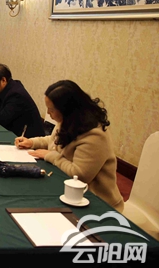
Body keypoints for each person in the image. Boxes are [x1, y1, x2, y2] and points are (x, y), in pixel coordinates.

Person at [15, 80, 124, 212]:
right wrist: (32, 142)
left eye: (51, 109)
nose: (48, 113)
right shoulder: (68, 120)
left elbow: (79, 175)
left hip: (96, 203)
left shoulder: (95, 135)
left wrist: (51, 156)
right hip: (66, 188)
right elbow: (55, 140)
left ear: (67, 110)